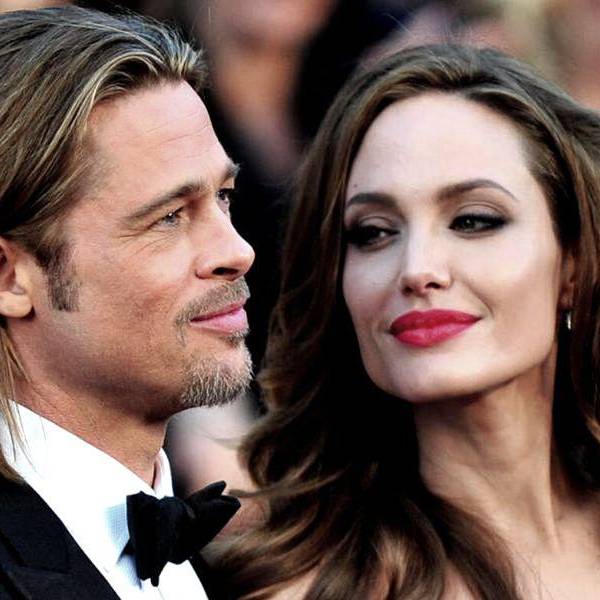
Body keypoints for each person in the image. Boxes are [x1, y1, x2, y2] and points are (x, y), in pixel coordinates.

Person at [216, 44, 600, 599]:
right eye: (373, 232)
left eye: (473, 220)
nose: (417, 269)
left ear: (573, 266)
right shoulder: (302, 590)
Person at [0, 6, 254, 600]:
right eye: (169, 217)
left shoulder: (221, 567)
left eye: (224, 197)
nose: (237, 251)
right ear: (10, 278)